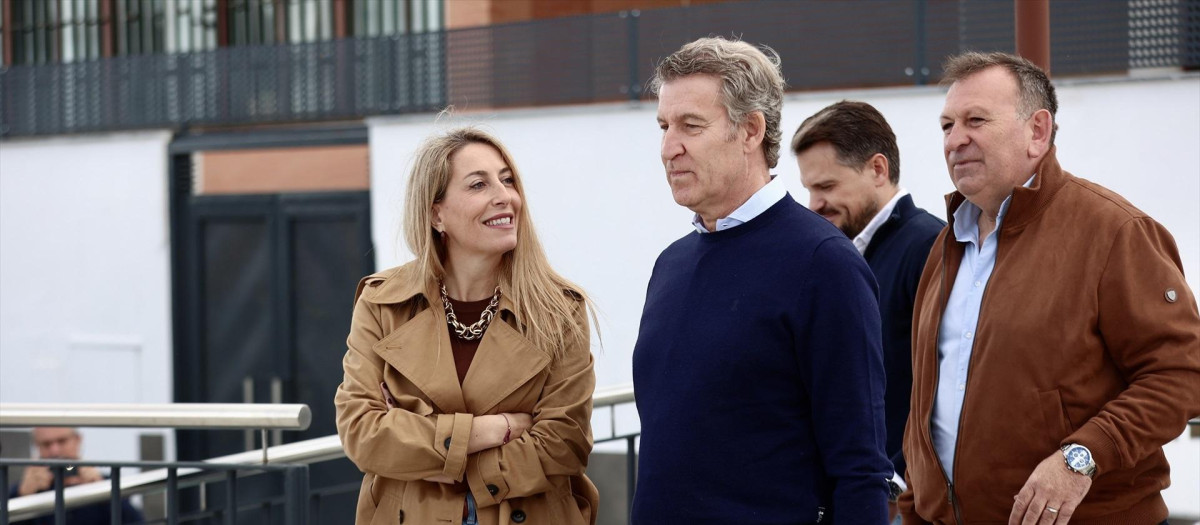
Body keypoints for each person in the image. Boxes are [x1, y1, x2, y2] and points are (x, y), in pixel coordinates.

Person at [899, 51, 1200, 524]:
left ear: (1037, 131)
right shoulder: (945, 245)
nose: (955, 140)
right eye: (946, 126)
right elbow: (929, 404)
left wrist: (1081, 457)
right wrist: (916, 507)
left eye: (975, 120)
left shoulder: (1114, 232)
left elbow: (1180, 375)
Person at [630, 37, 891, 524]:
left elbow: (859, 465)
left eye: (691, 126)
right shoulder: (672, 264)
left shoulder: (824, 263)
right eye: (664, 126)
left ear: (750, 130)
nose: (669, 148)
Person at [335, 127, 599, 525]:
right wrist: (500, 428)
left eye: (507, 180)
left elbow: (565, 443)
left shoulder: (558, 311)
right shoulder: (383, 303)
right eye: (478, 184)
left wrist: (429, 449)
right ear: (436, 213)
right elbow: (362, 432)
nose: (505, 196)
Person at [792, 100, 945, 518]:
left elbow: (944, 383)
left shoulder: (929, 248)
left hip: (900, 500)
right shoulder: (847, 254)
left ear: (878, 169)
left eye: (826, 187)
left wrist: (896, 484)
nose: (814, 204)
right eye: (808, 189)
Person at [9, 427, 143, 524]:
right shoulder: (27, 489)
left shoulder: (104, 483)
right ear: (36, 446)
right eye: (46, 444)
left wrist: (102, 492)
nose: (55, 451)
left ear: (77, 440)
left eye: (62, 441)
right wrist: (22, 495)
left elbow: (134, 520)